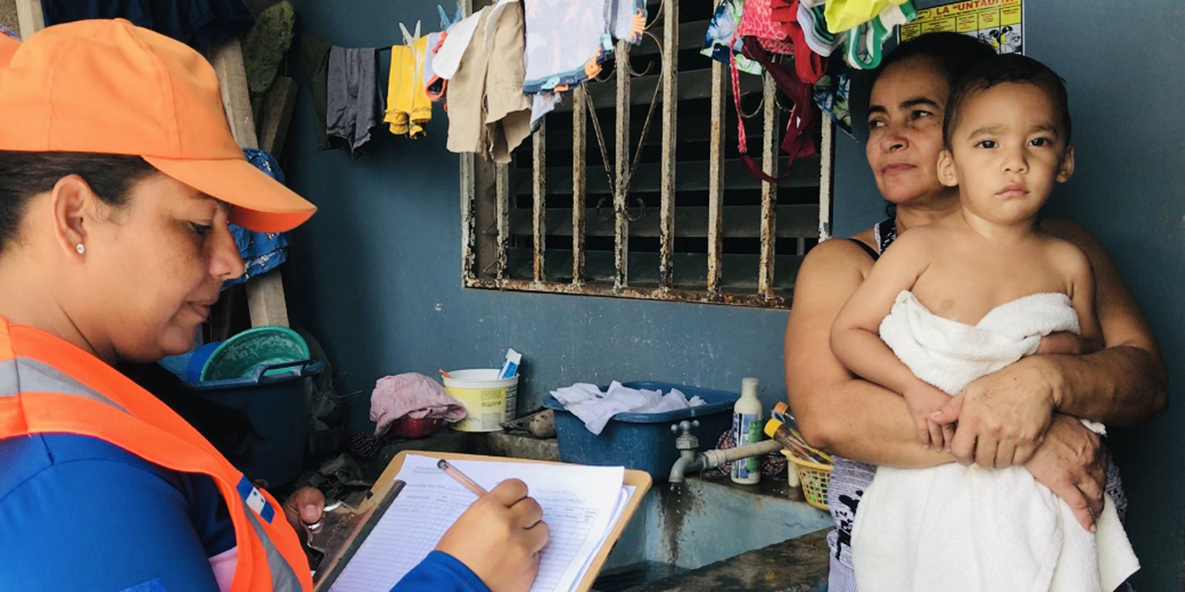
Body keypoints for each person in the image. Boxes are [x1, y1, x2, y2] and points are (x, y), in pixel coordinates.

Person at [0, 19, 547, 592]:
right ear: (74, 217)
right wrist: (460, 580)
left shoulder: (72, 389)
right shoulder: (66, 476)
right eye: (196, 225)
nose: (232, 263)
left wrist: (248, 542)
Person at [783, 32, 1166, 591]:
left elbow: (1145, 380)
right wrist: (1024, 438)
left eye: (919, 114)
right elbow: (827, 415)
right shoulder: (848, 262)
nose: (891, 138)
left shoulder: (1065, 250)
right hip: (908, 553)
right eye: (878, 121)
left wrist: (1047, 381)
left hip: (1059, 541)